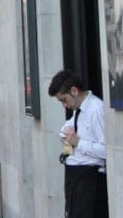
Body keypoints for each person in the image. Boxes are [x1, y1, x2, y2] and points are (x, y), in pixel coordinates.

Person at [48, 70, 107, 218]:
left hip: (90, 178)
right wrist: (68, 145)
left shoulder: (96, 110)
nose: (64, 105)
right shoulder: (78, 111)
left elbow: (107, 150)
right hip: (75, 176)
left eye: (64, 100)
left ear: (74, 91)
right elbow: (65, 133)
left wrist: (78, 143)